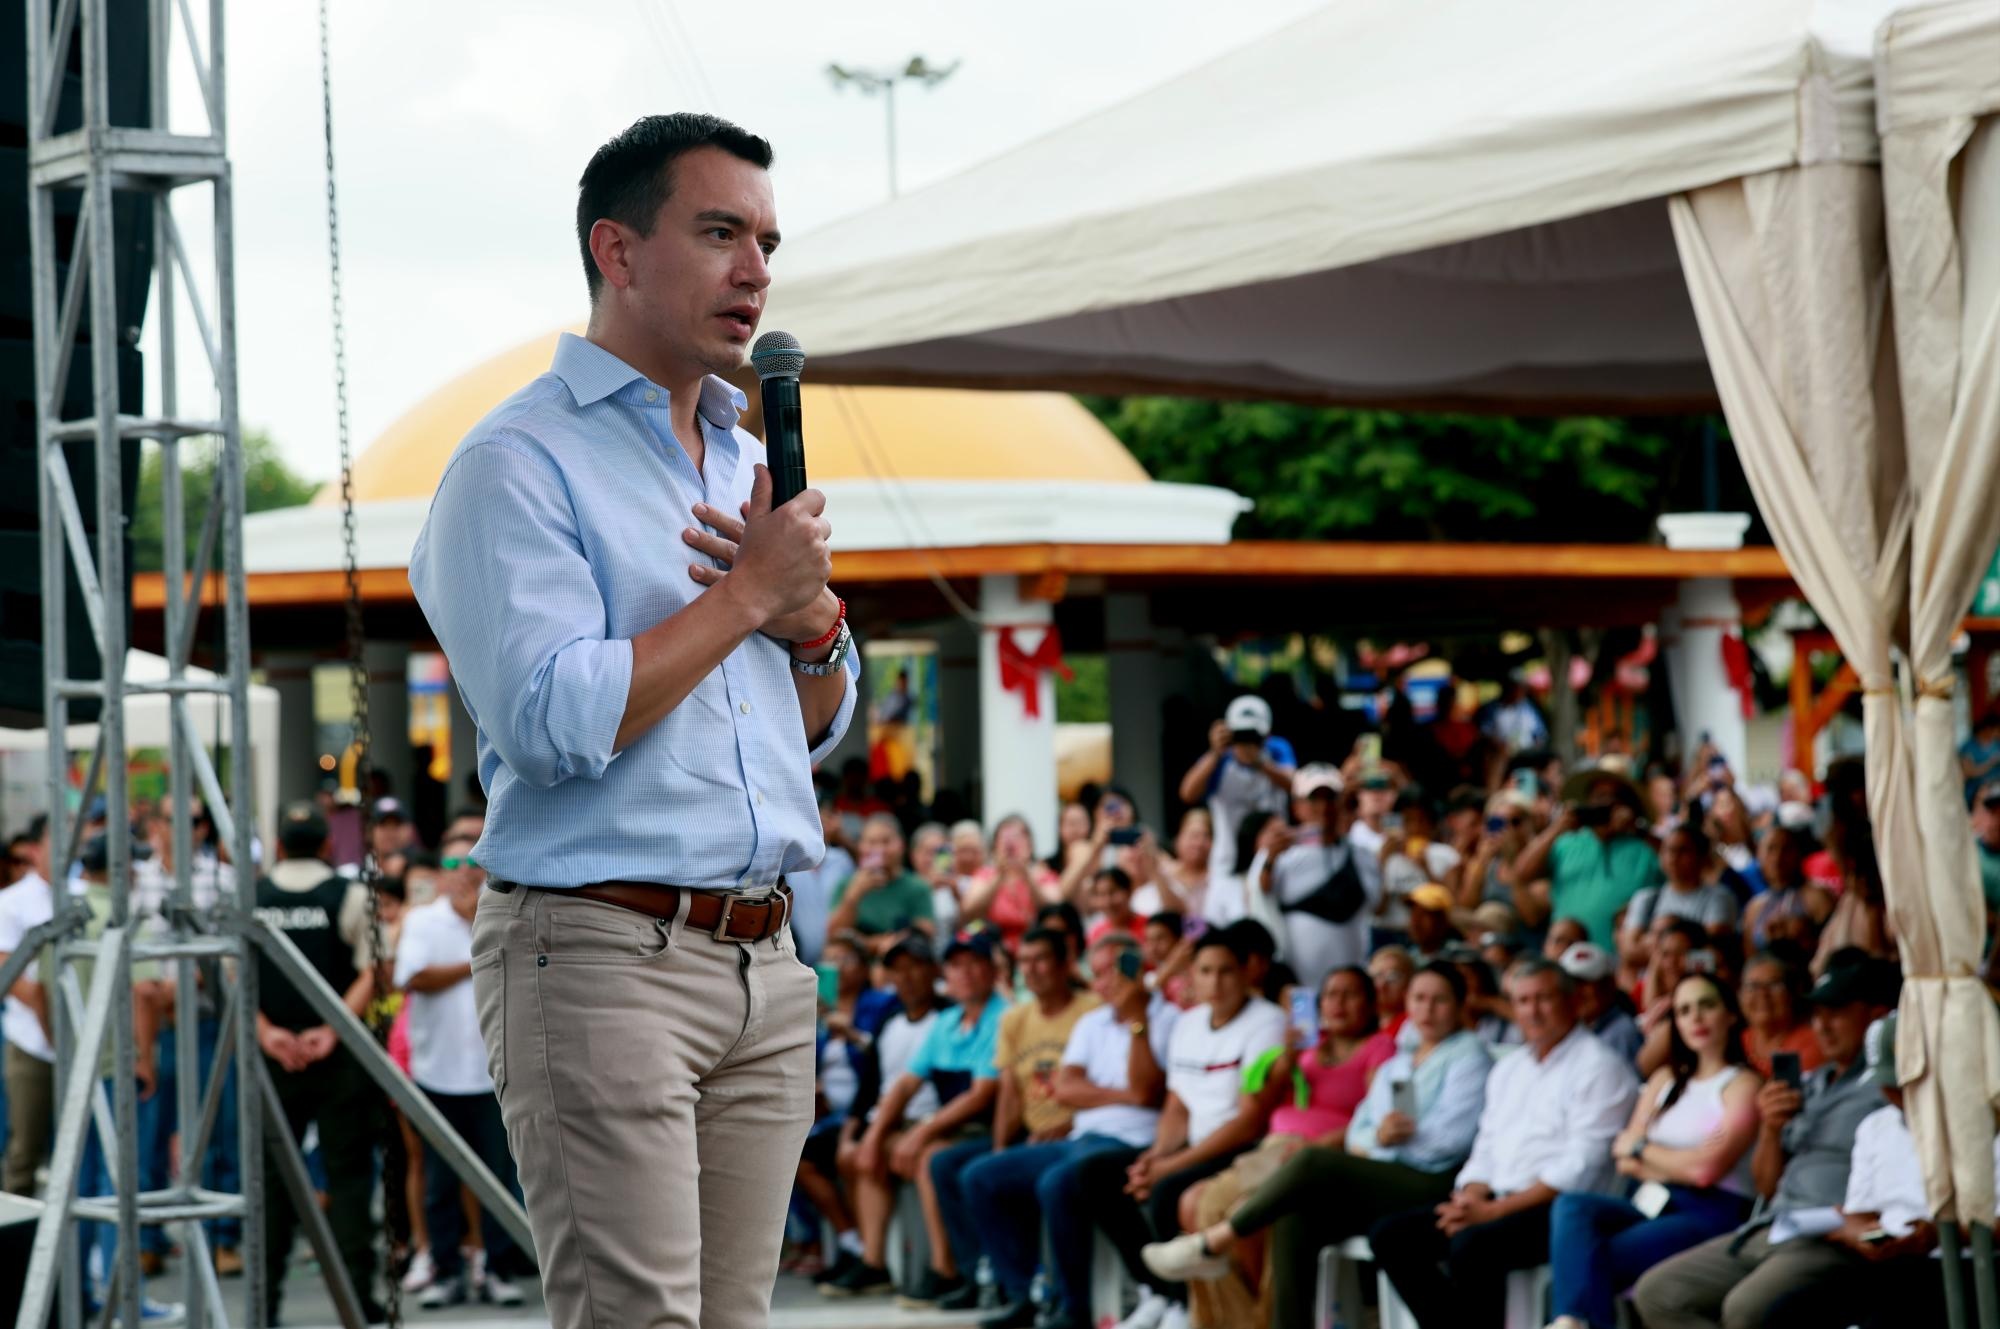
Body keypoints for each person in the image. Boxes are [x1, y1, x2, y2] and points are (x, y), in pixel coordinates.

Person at [407, 113, 860, 1329]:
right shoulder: (517, 462)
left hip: (763, 961)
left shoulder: (737, 452)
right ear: (616, 249)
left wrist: (808, 625)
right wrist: (750, 595)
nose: (756, 271)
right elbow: (552, 719)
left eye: (766, 240)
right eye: (720, 233)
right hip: (603, 952)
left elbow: (812, 725)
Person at [1145, 962, 1491, 1329]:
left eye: (1439, 1001)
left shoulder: (1468, 1056)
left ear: (1458, 1005)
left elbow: (1452, 1142)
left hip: (1431, 1179)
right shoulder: (1402, 1061)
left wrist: (1395, 1141)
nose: (1427, 1010)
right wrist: (1377, 1138)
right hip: (1382, 1172)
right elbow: (1361, 1128)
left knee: (1313, 1160)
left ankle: (1213, 1242)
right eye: (1419, 999)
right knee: (1294, 1216)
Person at [1630, 951, 1901, 1329]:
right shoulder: (1808, 1083)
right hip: (1773, 1224)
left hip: (1836, 1236)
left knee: (1746, 1309)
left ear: (1875, 1016)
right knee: (1660, 1293)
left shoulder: (1889, 1089)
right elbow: (1766, 1184)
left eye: (1836, 1012)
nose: (1822, 1026)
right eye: (1817, 1014)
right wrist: (1771, 1131)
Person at [1368, 956, 1638, 1329]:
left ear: (1571, 1000)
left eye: (1544, 998)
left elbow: (1581, 1168)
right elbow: (1486, 1146)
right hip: (1495, 1200)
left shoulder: (1599, 1066)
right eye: (1523, 1001)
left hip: (1559, 1211)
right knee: (1392, 1237)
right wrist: (1472, 1196)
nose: (1533, 1011)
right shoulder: (1510, 1068)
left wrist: (1495, 1212)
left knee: (1472, 1245)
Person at [1156, 966, 1395, 1329]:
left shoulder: (1380, 1049)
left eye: (1350, 994)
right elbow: (1258, 1107)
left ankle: (1262, 1321)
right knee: (1193, 1202)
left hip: (1321, 1161)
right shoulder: (1306, 1048)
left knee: (1247, 1216)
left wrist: (1314, 1150)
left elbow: (1375, 1121)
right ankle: (1229, 1321)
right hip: (1272, 1151)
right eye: (1330, 994)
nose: (1338, 1004)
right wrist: (1286, 1059)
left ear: (1371, 1003)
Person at [963, 932, 1177, 1328]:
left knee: (1057, 1183)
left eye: (1114, 972)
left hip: (1132, 1142)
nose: (1106, 983)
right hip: (1080, 1136)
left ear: (1137, 971)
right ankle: (1024, 1294)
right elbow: (1066, 1088)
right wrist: (1125, 1094)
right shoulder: (1092, 1022)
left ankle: (1072, 1308)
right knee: (981, 1176)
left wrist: (1137, 1023)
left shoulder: (1167, 1018)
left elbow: (1147, 1091)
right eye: (1096, 975)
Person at [1079, 929, 1287, 1329]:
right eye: (1205, 971)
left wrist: (1169, 1168)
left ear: (1247, 972)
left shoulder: (1267, 1023)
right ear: (1191, 976)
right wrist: (1155, 1156)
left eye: (1226, 971)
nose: (1215, 982)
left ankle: (1180, 1306)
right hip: (1189, 1145)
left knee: (1166, 1192)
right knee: (1096, 1175)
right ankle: (1158, 1293)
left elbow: (1248, 1122)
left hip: (1237, 1147)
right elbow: (1177, 1104)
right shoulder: (1189, 1024)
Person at [1545, 972, 1762, 1329]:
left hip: (1713, 1210)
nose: (1696, 1018)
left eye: (1707, 1005)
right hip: (1651, 1200)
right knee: (1572, 1205)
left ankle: (1575, 1322)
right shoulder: (1664, 1080)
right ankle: (1571, 1320)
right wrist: (1676, 1162)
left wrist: (1645, 1148)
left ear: (1731, 1014)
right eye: (1684, 1010)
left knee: (1592, 1261)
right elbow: (1623, 1155)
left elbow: (1705, 1172)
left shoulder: (1742, 1085)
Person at [1790, 1012, 2000, 1328]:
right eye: (1884, 1084)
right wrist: (1858, 1235)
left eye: (1901, 1084)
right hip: (1889, 1265)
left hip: (1971, 1266)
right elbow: (1860, 1213)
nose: (1891, 1093)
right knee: (1785, 1311)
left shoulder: (1989, 1123)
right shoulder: (1876, 1126)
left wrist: (1940, 1235)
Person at [392, 834, 526, 1308]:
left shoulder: (504, 914)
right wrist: (475, 957)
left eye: (473, 860)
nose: (465, 870)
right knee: (439, 1178)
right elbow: (412, 978)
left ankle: (495, 1266)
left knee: (499, 1176)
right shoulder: (423, 921)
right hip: (436, 1071)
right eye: (453, 861)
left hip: (493, 1072)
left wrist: (477, 929)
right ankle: (446, 1269)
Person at [863, 931, 1006, 1306]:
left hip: (994, 1127)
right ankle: (871, 1261)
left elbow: (981, 1096)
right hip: (955, 1127)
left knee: (931, 1160)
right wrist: (873, 1136)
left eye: (975, 963)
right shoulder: (948, 1021)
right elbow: (906, 1085)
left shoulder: (1002, 1015)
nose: (966, 973)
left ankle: (947, 1270)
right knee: (874, 1152)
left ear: (993, 970)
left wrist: (921, 1133)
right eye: (957, 965)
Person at [1511, 764, 1662, 949]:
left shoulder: (1643, 848)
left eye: (1614, 799)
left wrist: (1637, 829)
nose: (1605, 804)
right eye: (1599, 797)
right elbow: (1521, 873)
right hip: (1568, 958)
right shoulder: (1566, 843)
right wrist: (1557, 828)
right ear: (1587, 803)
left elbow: (1676, 860)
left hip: (1622, 959)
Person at [1261, 764, 1376, 992]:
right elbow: (1262, 894)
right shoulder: (1280, 855)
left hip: (1352, 981)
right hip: (1299, 982)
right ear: (1297, 807)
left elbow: (1376, 905)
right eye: (1314, 799)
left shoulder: (1362, 854)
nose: (1324, 807)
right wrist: (1270, 859)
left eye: (1331, 798)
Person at [1178, 695, 1295, 883]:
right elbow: (1187, 793)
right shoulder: (1221, 759)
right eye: (1241, 735)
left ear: (1266, 734)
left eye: (1253, 735)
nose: (1247, 742)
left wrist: (1261, 763)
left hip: (1275, 862)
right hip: (1229, 864)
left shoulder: (1276, 750)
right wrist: (1215, 753)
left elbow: (1295, 786)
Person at [0, 815, 56, 1196]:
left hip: (83, 1044)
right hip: (32, 1043)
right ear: (38, 848)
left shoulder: (82, 891)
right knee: (24, 1155)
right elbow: (11, 974)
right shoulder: (12, 901)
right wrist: (49, 1019)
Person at [1622, 824, 1738, 963]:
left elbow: (1713, 953)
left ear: (1702, 857)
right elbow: (1628, 952)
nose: (1673, 857)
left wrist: (1654, 944)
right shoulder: (1646, 899)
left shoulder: (1719, 898)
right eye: (1668, 850)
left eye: (1682, 851)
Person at [827, 814, 936, 947]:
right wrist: (853, 896)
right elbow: (833, 935)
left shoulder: (917, 887)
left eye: (886, 842)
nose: (879, 850)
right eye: (871, 842)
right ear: (861, 847)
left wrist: (863, 942)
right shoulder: (847, 884)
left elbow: (925, 933)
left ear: (901, 845)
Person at [1743, 823, 1832, 953]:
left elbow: (1833, 944)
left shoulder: (1817, 898)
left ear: (1798, 854)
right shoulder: (1754, 908)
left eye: (1786, 849)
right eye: (1771, 849)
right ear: (1759, 856)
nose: (1778, 857)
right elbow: (1750, 958)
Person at [1740, 948, 1825, 1079]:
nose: (1763, 995)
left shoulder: (1814, 1043)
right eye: (1753, 986)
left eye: (1774, 985)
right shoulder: (1733, 1042)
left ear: (1792, 993)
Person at [1558, 941, 1644, 1066]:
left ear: (1609, 985)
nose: (1576, 991)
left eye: (1585, 982)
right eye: (1571, 984)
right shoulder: (1573, 1029)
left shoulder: (1622, 1033)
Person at [1088, 867, 1147, 946]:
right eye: (1101, 894)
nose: (1108, 902)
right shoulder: (1096, 934)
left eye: (1112, 892)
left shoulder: (1149, 928)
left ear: (1129, 891)